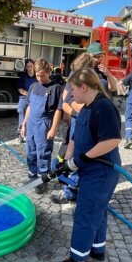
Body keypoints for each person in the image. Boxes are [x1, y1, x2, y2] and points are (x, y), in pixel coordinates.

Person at [53, 68, 121, 262]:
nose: (71, 94)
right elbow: (75, 137)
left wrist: (81, 159)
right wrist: (65, 160)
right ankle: (97, 250)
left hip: (102, 170)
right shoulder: (85, 107)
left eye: (73, 89)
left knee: (86, 212)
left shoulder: (104, 107)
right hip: (89, 169)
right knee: (97, 210)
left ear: (84, 87)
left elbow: (112, 140)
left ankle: (78, 261)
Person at [51, 53, 94, 204]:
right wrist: (75, 112)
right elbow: (66, 101)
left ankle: (72, 191)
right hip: (76, 122)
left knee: (79, 156)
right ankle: (71, 188)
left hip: (84, 124)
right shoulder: (74, 78)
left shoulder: (98, 82)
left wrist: (79, 111)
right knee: (70, 154)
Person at [21, 58, 62, 194]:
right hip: (32, 123)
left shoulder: (55, 88)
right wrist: (24, 124)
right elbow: (29, 107)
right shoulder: (33, 86)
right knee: (30, 151)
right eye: (37, 75)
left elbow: (58, 110)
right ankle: (32, 176)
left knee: (43, 153)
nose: (39, 78)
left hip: (44, 124)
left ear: (48, 72)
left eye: (42, 75)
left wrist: (53, 128)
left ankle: (42, 180)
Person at [17, 59, 36, 143]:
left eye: (31, 66)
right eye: (27, 67)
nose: (29, 68)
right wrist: (27, 94)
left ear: (34, 66)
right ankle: (20, 133)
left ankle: (31, 133)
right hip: (24, 97)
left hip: (35, 98)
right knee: (21, 112)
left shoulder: (37, 77)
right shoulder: (23, 77)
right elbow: (20, 89)